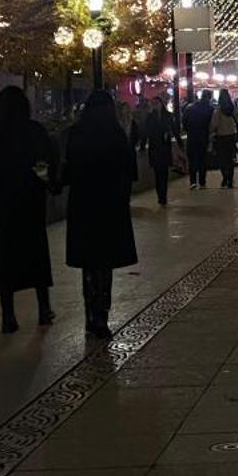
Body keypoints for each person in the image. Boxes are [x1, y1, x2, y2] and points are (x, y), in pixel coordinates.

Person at [0, 85, 58, 334]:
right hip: (28, 200)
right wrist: (50, 183)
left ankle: (8, 316)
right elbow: (50, 157)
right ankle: (44, 309)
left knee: (3, 258)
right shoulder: (32, 131)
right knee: (36, 254)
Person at [62, 88, 137, 339]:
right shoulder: (115, 135)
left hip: (83, 206)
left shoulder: (75, 135)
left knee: (88, 265)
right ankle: (101, 316)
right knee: (104, 265)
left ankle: (89, 314)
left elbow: (66, 171)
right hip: (110, 206)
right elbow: (130, 170)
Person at [138, 88, 178, 206]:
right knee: (157, 173)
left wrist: (179, 142)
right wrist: (142, 145)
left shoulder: (168, 116)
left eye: (157, 103)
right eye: (153, 104)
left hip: (165, 148)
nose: (155, 106)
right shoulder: (150, 117)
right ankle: (160, 196)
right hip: (155, 148)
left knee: (164, 173)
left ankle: (163, 195)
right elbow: (145, 132)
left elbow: (174, 130)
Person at [183, 87, 214, 188]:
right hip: (203, 137)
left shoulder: (190, 107)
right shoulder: (210, 109)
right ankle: (202, 182)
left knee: (192, 160)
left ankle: (193, 181)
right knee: (202, 160)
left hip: (192, 136)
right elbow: (212, 124)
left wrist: (190, 130)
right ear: (209, 97)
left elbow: (184, 123)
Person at [210, 87, 238, 187]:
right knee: (230, 158)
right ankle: (230, 179)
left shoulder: (218, 110)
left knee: (222, 159)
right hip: (231, 135)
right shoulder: (233, 108)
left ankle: (225, 178)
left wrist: (212, 131)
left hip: (221, 137)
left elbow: (214, 124)